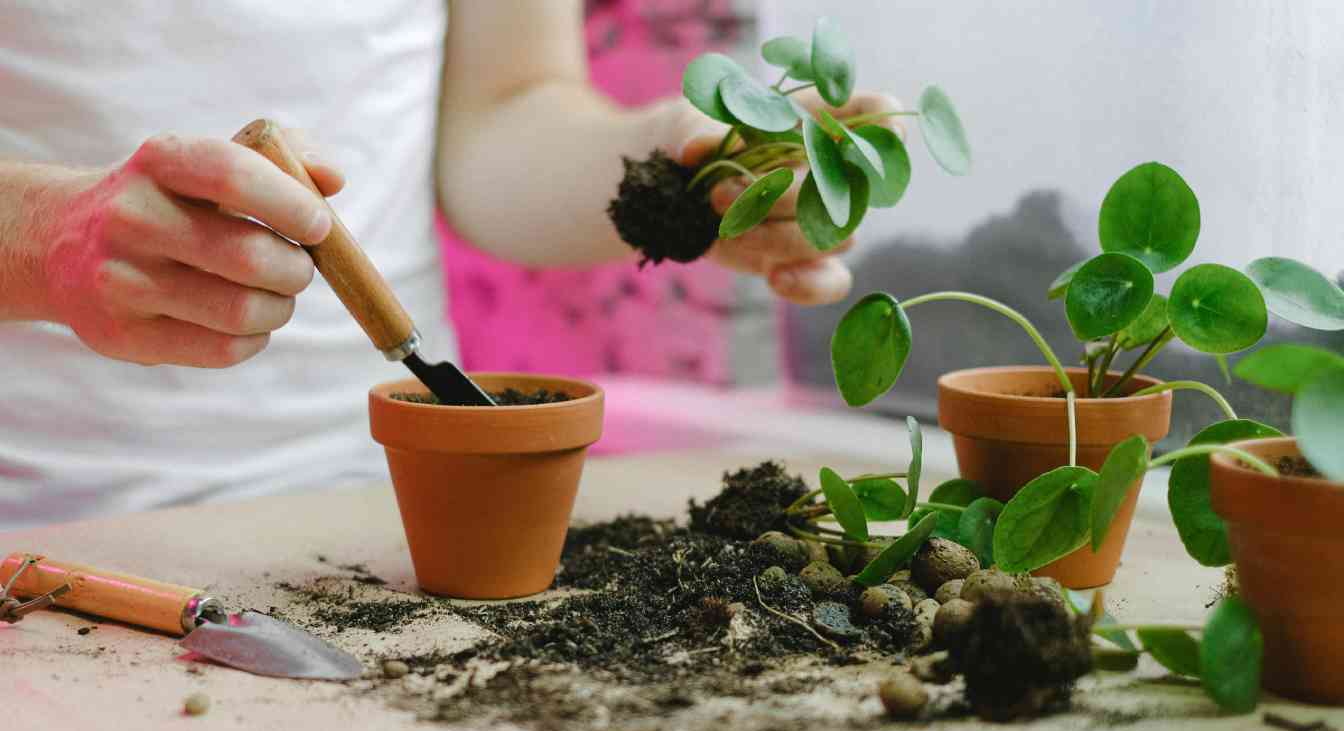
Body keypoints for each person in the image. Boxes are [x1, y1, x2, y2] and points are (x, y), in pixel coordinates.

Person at [0, 2, 896, 528]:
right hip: (42, 524)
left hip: (375, 509)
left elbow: (500, 114)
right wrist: (37, 238)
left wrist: (662, 170)